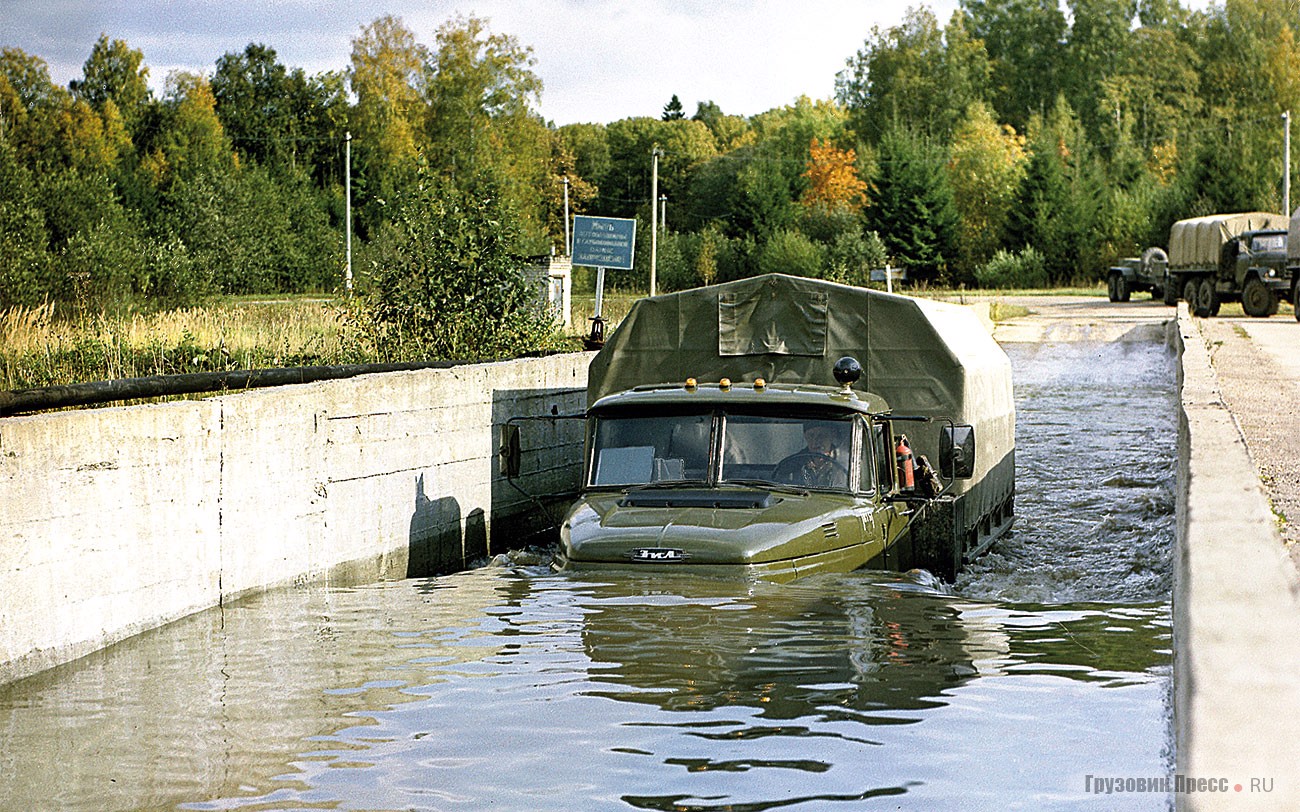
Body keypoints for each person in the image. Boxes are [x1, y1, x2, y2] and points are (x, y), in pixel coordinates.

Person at [772, 421, 849, 488]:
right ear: (805, 437)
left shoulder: (847, 463)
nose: (815, 441)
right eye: (811, 435)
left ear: (831, 436)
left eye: (821, 436)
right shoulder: (792, 464)